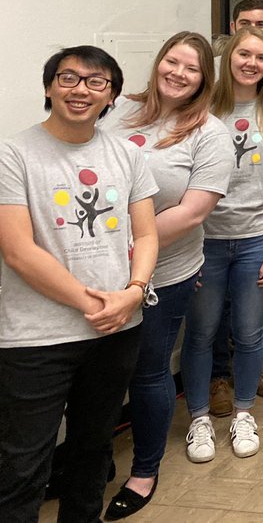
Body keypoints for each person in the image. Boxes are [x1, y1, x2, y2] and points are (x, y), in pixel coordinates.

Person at [0, 46, 158, 523]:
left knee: (93, 454)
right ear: (49, 87)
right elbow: (17, 250)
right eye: (69, 78)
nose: (81, 90)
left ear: (110, 96)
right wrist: (92, 301)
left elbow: (147, 233)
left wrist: (133, 292)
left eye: (96, 82)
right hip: (35, 337)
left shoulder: (127, 155)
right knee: (21, 465)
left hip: (115, 331)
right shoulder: (14, 154)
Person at [100, 33, 234, 520]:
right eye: (172, 62)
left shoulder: (211, 133)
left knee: (148, 369)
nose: (178, 73)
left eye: (191, 68)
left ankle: (144, 470)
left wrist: (128, 247)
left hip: (165, 272)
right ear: (158, 63)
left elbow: (194, 211)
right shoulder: (117, 111)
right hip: (94, 270)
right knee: (94, 374)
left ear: (204, 79)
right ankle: (89, 465)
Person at [180, 27, 263, 463]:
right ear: (228, 58)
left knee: (249, 334)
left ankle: (244, 413)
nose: (252, 63)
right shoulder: (202, 109)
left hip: (257, 240)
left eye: (262, 58)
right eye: (244, 55)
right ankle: (198, 419)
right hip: (204, 241)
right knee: (201, 333)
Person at [210, 0, 263, 409]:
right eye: (246, 26)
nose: (251, 56)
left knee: (250, 322)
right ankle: (217, 381)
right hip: (209, 231)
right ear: (231, 30)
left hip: (258, 230)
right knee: (208, 323)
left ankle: (249, 375)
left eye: (262, 25)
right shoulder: (206, 96)